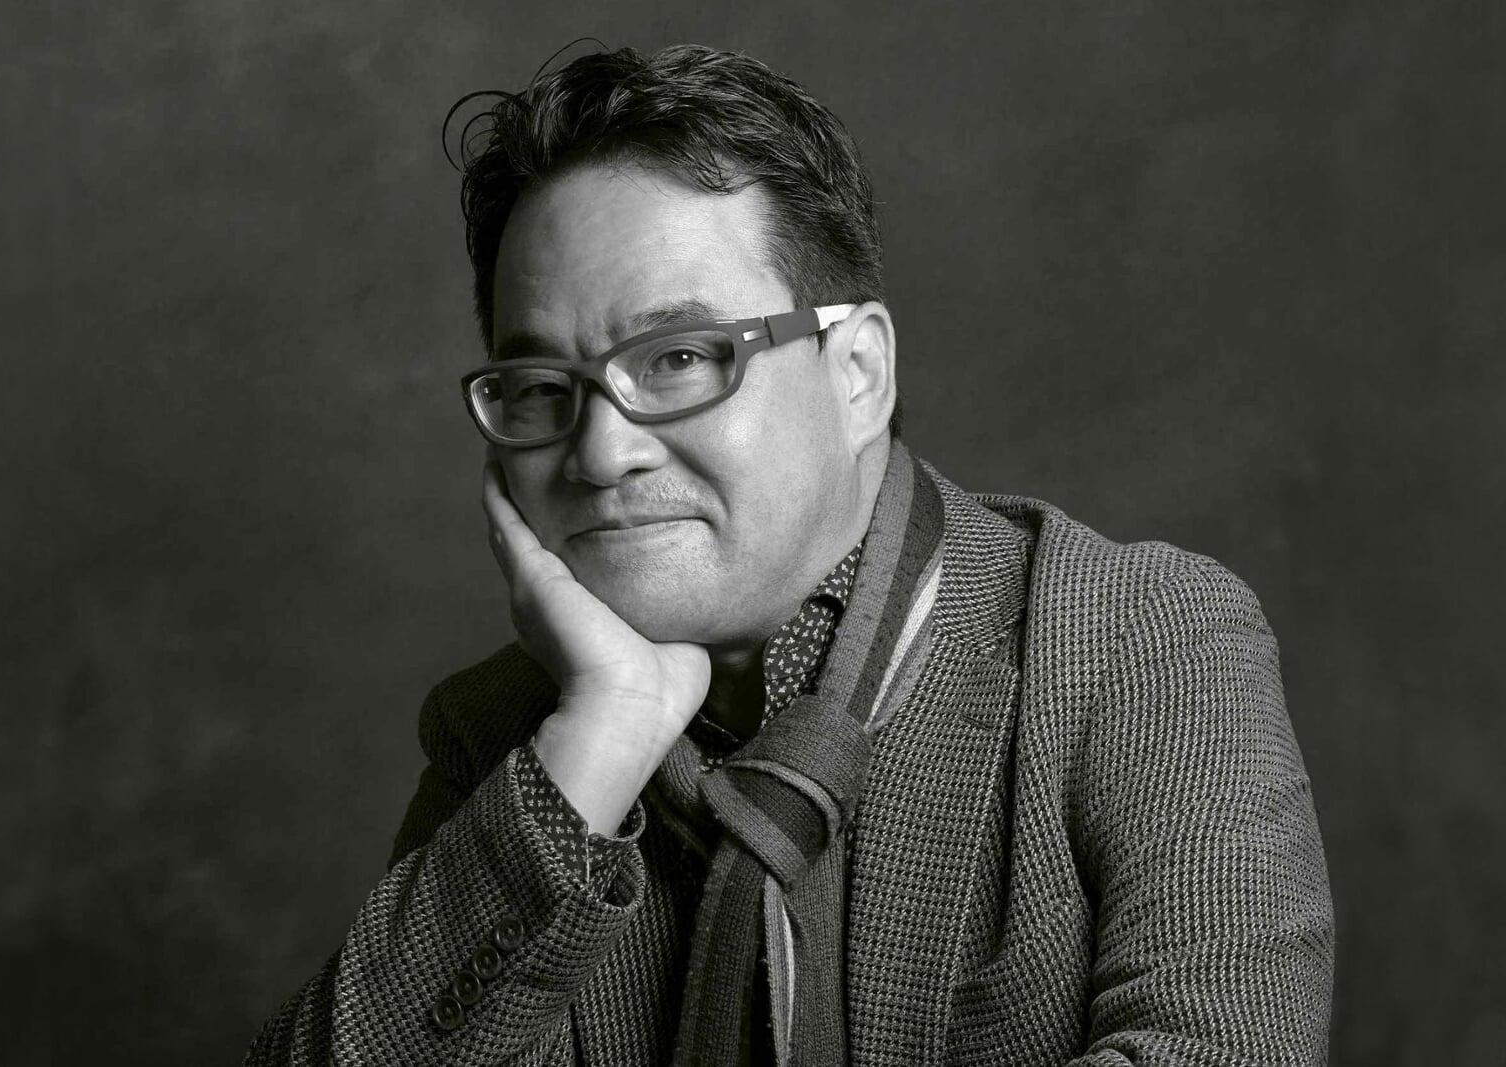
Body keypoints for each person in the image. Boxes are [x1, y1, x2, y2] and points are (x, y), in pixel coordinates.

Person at [246, 43, 1334, 1066]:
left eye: (679, 357)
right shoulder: (511, 739)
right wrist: (607, 726)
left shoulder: (1141, 641)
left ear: (857, 374)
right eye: (539, 387)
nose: (602, 451)